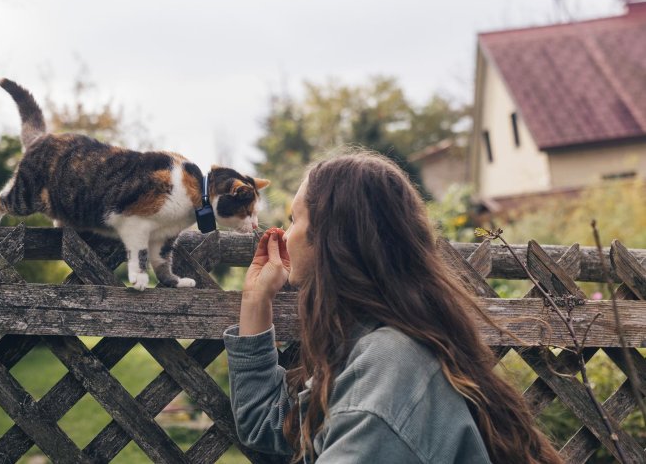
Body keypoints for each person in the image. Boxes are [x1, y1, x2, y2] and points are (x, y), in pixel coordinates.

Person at [223, 151, 562, 463]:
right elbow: (267, 423)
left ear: (332, 239)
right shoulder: (374, 346)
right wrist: (255, 300)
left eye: (294, 219)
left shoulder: (386, 373)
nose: (283, 235)